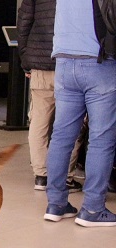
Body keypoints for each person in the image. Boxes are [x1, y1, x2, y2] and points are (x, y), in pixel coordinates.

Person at [44, 0, 116, 226]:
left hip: (64, 62)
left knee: (62, 137)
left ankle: (55, 203)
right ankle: (93, 209)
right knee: (100, 139)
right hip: (98, 62)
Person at [17, 0, 83, 193]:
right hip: (70, 63)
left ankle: (41, 175)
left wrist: (26, 59)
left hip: (40, 64)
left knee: (39, 122)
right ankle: (65, 177)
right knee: (72, 123)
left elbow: (23, 24)